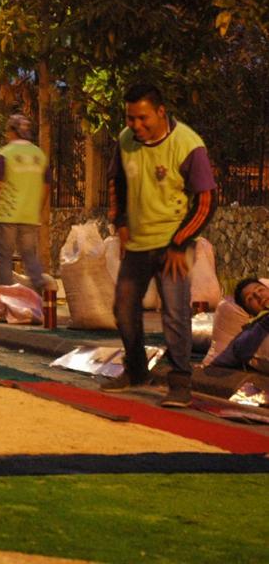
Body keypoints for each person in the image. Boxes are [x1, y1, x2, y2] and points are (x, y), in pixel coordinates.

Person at [103, 84, 217, 407]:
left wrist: (181, 244)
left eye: (143, 118)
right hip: (138, 244)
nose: (136, 125)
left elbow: (207, 201)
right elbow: (117, 181)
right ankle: (137, 370)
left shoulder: (188, 144)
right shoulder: (125, 141)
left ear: (161, 112)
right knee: (123, 307)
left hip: (173, 245)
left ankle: (180, 381)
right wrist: (120, 222)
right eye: (130, 118)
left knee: (175, 313)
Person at [0, 114, 50, 293]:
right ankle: (39, 286)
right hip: (29, 216)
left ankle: (7, 297)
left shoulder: (4, 154)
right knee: (29, 256)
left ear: (12, 131)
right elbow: (46, 186)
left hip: (7, 214)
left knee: (5, 258)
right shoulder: (40, 155)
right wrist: (38, 210)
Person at [207, 278, 269, 373]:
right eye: (250, 298)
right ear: (250, 312)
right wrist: (264, 323)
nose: (258, 295)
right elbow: (240, 350)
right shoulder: (254, 329)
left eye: (260, 290)